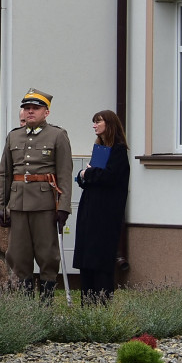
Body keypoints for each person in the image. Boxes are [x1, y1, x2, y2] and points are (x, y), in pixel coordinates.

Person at [0, 88, 73, 302]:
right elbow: (4, 173)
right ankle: (26, 306)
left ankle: (46, 303)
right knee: (18, 256)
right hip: (18, 205)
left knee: (47, 255)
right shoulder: (14, 136)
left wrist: (64, 206)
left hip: (45, 205)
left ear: (46, 112)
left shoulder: (57, 135)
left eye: (35, 108)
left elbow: (64, 174)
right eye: (27, 108)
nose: (30, 112)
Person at [72, 109, 130, 305]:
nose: (94, 125)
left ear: (110, 124)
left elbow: (109, 178)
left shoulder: (119, 151)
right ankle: (87, 305)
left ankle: (102, 307)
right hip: (90, 211)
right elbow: (91, 177)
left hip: (106, 215)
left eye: (98, 121)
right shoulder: (100, 149)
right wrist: (83, 176)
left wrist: (87, 174)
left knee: (100, 260)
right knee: (86, 260)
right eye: (94, 121)